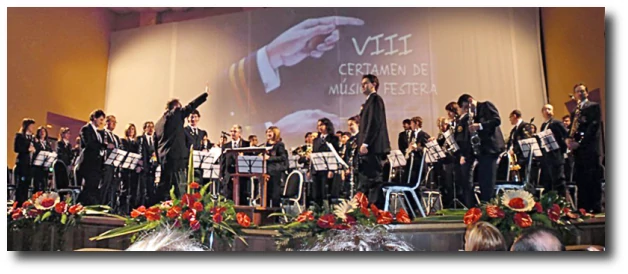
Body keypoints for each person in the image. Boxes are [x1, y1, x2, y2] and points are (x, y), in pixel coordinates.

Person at [153, 90, 209, 205]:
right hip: (175, 158)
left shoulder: (158, 123)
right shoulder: (175, 113)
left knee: (164, 187)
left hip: (164, 159)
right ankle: (179, 212)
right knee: (178, 188)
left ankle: (158, 209)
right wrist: (205, 95)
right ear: (176, 107)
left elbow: (155, 143)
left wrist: (159, 159)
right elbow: (190, 106)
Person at [457, 94, 505, 204]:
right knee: (483, 181)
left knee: (488, 182)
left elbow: (496, 120)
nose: (466, 110)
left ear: (470, 101)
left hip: (491, 149)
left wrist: (479, 126)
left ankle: (489, 207)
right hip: (481, 151)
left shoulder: (485, 105)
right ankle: (485, 206)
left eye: (466, 107)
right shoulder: (472, 114)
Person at [566, 83, 603, 213]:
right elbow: (573, 129)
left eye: (582, 91)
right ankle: (583, 206)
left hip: (589, 148)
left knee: (592, 177)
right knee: (580, 178)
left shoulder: (593, 106)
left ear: (587, 93)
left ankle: (595, 206)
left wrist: (580, 143)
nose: (580, 93)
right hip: (578, 151)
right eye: (577, 91)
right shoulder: (575, 110)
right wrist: (568, 139)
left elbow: (593, 128)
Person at [357, 74, 391, 209]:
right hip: (369, 148)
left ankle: (377, 210)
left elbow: (374, 123)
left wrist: (366, 143)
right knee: (367, 181)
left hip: (373, 148)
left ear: (374, 84)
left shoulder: (376, 100)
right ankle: (369, 209)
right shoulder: (368, 101)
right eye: (362, 83)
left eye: (366, 83)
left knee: (374, 180)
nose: (363, 86)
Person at [76, 109, 113, 205]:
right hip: (88, 163)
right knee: (88, 187)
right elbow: (90, 144)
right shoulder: (86, 129)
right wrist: (104, 146)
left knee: (94, 187)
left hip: (96, 164)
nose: (101, 122)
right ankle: (81, 205)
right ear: (94, 118)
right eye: (100, 119)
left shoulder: (98, 132)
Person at [538, 104, 568, 197]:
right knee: (548, 180)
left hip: (556, 155)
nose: (547, 111)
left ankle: (562, 201)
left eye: (549, 109)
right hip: (547, 156)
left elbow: (566, 136)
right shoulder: (543, 125)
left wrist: (562, 149)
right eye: (545, 109)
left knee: (558, 180)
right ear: (542, 112)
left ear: (553, 111)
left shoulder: (557, 123)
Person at [311, 118, 341, 207]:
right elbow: (314, 154)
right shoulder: (316, 140)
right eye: (318, 125)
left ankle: (327, 210)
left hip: (327, 169)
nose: (319, 127)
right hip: (316, 168)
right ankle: (317, 210)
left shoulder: (333, 139)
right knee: (316, 192)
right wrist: (310, 169)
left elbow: (334, 154)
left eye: (322, 125)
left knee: (326, 191)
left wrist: (331, 170)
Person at [220, 124, 251, 204]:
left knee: (242, 199)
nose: (232, 133)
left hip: (242, 177)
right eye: (231, 131)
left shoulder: (246, 144)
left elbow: (250, 158)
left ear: (239, 133)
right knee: (229, 199)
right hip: (229, 176)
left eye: (235, 131)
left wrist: (243, 156)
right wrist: (221, 175)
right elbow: (222, 161)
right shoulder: (226, 146)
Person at [262, 126, 288, 207]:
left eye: (270, 132)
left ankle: (275, 217)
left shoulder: (279, 144)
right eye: (267, 132)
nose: (268, 133)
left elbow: (283, 157)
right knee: (266, 194)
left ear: (275, 133)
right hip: (266, 171)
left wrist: (269, 158)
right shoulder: (266, 144)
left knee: (274, 195)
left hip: (275, 172)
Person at [13, 118, 36, 206]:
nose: (32, 128)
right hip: (22, 163)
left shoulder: (31, 137)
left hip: (29, 165)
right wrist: (27, 149)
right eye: (31, 126)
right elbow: (16, 149)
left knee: (27, 185)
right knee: (21, 185)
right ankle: (18, 204)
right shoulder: (19, 136)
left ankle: (25, 204)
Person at [101, 115, 122, 209]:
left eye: (115, 122)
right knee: (105, 185)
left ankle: (110, 206)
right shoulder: (102, 133)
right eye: (111, 122)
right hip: (106, 164)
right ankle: (102, 205)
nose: (113, 124)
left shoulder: (116, 137)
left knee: (113, 187)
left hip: (115, 164)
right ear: (106, 122)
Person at [120, 123, 141, 213]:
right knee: (125, 188)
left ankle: (131, 210)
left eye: (133, 129)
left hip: (134, 168)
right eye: (129, 129)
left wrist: (139, 165)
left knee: (133, 189)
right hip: (125, 167)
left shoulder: (137, 142)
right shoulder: (123, 141)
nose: (131, 131)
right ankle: (122, 209)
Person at [137, 121, 158, 206]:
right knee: (142, 190)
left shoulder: (155, 140)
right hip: (143, 167)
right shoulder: (140, 139)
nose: (150, 129)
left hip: (152, 168)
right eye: (148, 127)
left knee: (151, 189)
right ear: (144, 128)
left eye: (152, 127)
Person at [506, 110, 531, 178]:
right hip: (515, 156)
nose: (510, 120)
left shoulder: (525, 126)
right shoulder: (514, 129)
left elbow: (524, 141)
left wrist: (514, 149)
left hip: (522, 156)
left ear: (514, 116)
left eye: (510, 117)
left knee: (524, 173)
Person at [32, 126, 52, 193]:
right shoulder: (36, 142)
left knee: (44, 184)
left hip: (45, 166)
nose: (42, 133)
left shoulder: (47, 143)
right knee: (37, 184)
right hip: (37, 166)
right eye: (41, 132)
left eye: (44, 131)